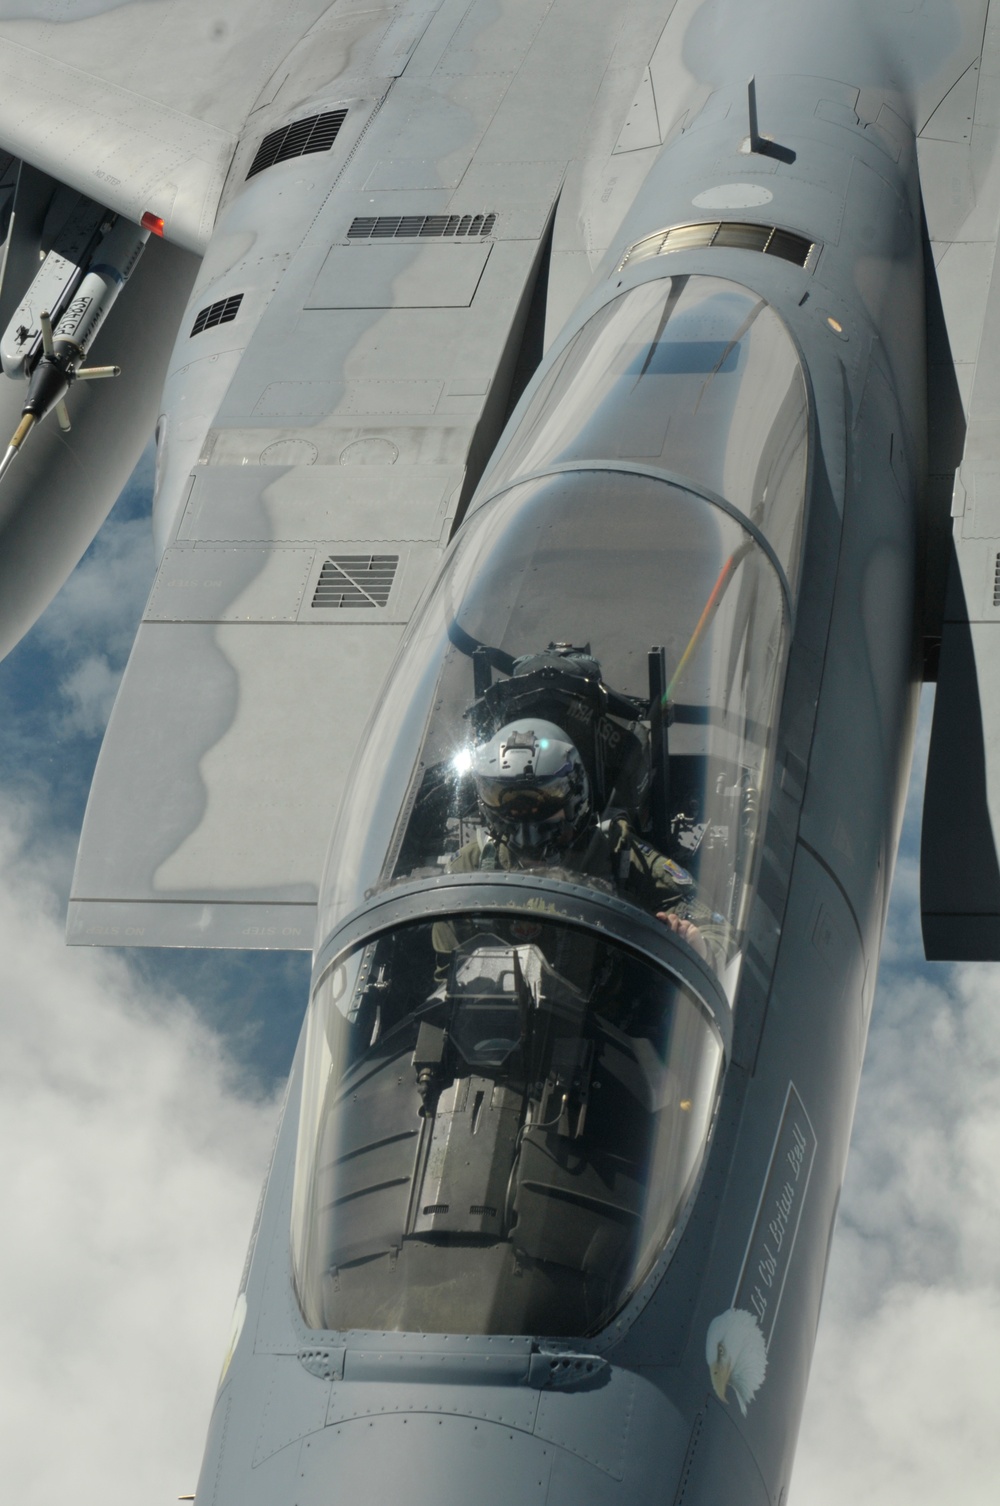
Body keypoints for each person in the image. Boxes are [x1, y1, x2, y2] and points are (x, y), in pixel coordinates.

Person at [438, 718, 728, 969]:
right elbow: (443, 977)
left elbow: (715, 927)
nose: (527, 831)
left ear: (575, 799)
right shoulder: (470, 868)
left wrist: (698, 945)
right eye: (511, 807)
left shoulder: (617, 853)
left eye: (543, 803)